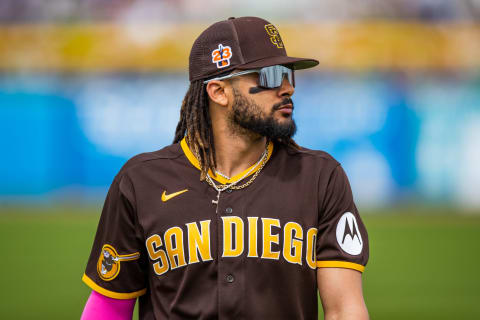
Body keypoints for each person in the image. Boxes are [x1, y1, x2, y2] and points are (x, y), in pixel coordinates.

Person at [81, 16, 369, 320]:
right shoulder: (141, 181)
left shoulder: (319, 177)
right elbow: (109, 308)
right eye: (269, 76)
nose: (287, 88)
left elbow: (344, 309)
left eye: (288, 74)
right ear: (219, 92)